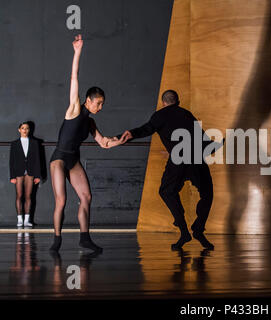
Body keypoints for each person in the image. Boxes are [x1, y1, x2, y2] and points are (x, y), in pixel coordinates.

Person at [119, 90, 222, 250]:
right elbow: (204, 142)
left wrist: (126, 135)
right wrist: (221, 142)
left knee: (166, 191)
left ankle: (183, 229)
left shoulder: (159, 116)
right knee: (207, 193)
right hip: (196, 160)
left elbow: (145, 130)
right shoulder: (186, 114)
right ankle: (198, 229)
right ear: (178, 102)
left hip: (178, 161)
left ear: (163, 103)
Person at [49, 35, 123, 252]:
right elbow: (74, 77)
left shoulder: (90, 122)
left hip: (73, 160)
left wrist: (121, 140)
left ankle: (85, 238)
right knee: (61, 201)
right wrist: (77, 52)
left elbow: (104, 143)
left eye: (102, 104)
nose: (100, 107)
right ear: (88, 100)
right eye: (98, 103)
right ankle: (56, 240)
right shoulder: (74, 110)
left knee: (86, 197)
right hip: (59, 159)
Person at [9, 122, 41, 227]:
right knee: (19, 195)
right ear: (19, 130)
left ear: (29, 130)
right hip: (18, 172)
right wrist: (12, 176)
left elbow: (37, 160)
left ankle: (27, 220)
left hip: (30, 173)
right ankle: (19, 219)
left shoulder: (34, 143)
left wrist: (37, 175)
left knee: (28, 196)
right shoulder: (14, 144)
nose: (25, 130)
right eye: (23, 128)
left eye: (27, 128)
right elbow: (12, 161)